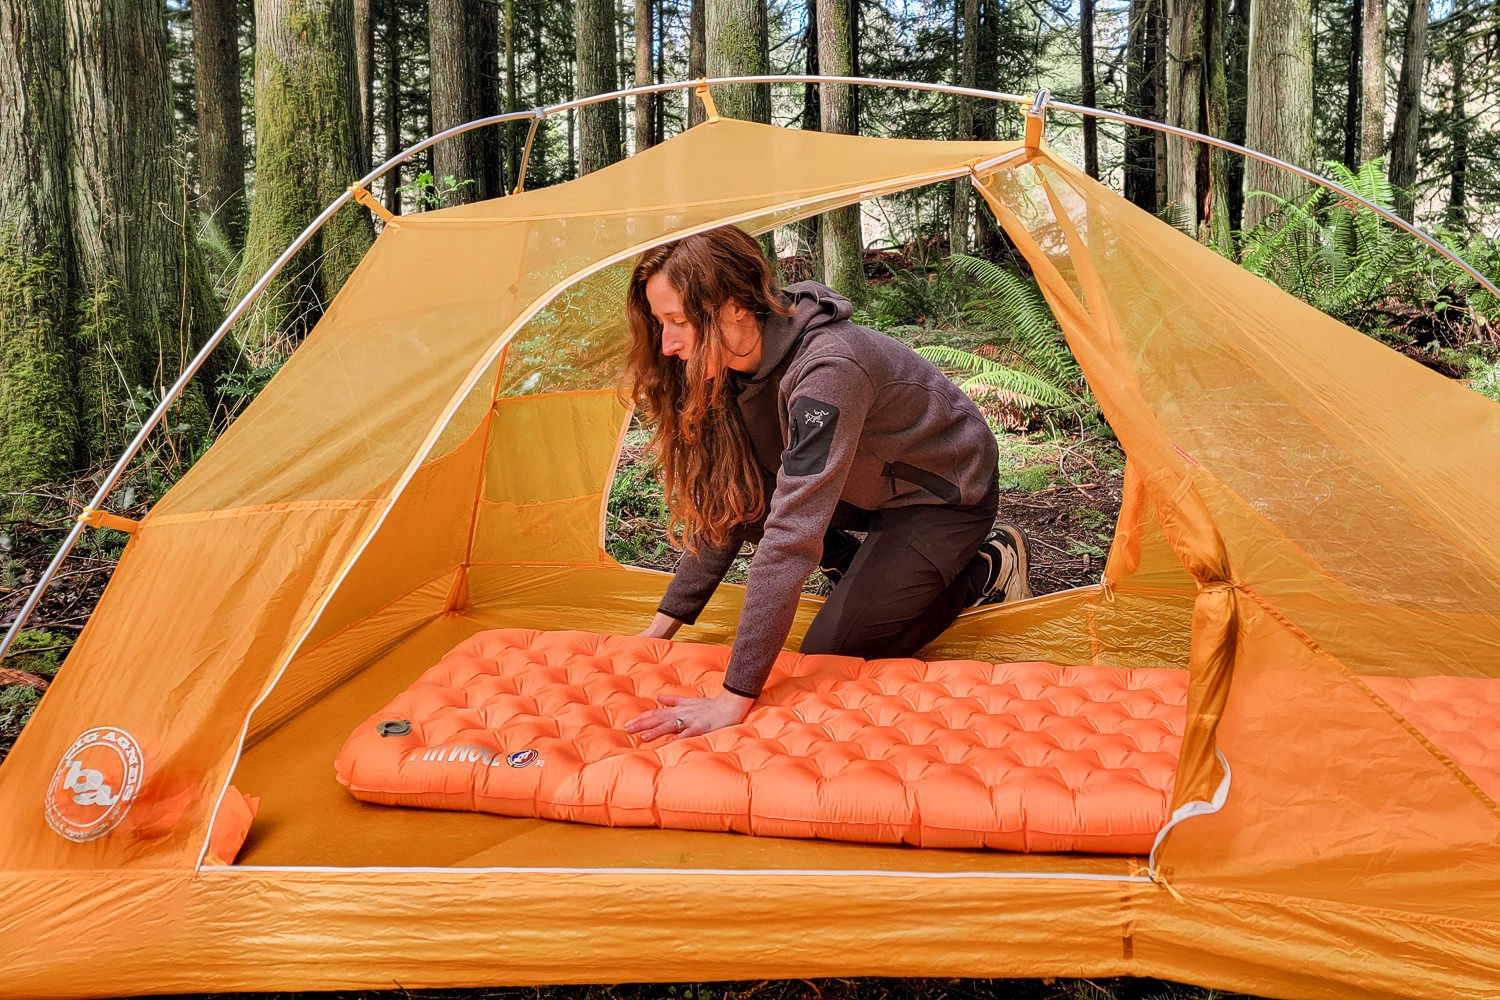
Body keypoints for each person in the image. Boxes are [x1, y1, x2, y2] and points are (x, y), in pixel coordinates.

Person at [621, 225, 1031, 742]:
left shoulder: (829, 367)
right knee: (749, 498)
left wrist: (735, 697)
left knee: (828, 655)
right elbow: (734, 501)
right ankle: (865, 572)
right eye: (661, 323)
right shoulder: (725, 364)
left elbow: (793, 534)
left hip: (940, 495)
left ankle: (989, 566)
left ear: (734, 307)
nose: (668, 343)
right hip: (859, 484)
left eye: (678, 321)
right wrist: (660, 630)